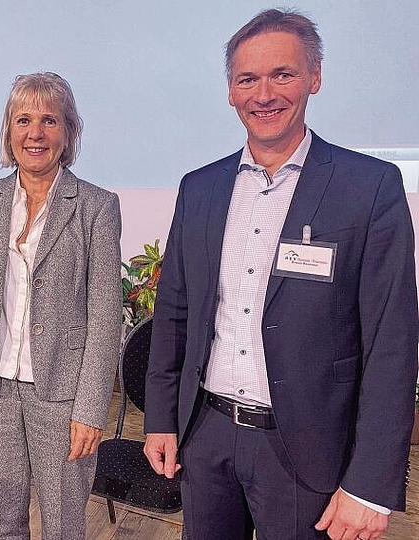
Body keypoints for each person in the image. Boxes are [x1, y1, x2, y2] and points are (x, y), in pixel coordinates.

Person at [143, 9, 417, 540]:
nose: (263, 94)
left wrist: (369, 485)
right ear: (230, 91)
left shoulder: (370, 188)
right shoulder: (198, 189)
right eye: (247, 79)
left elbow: (392, 342)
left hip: (308, 450)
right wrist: (161, 418)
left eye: (282, 74)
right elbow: (174, 313)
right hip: (208, 437)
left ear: (314, 78)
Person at [0, 72, 122, 540]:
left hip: (62, 397)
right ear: (8, 130)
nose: (35, 133)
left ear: (69, 132)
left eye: (49, 120)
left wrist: (90, 409)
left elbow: (105, 320)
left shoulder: (95, 207)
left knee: (64, 526)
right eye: (23, 120)